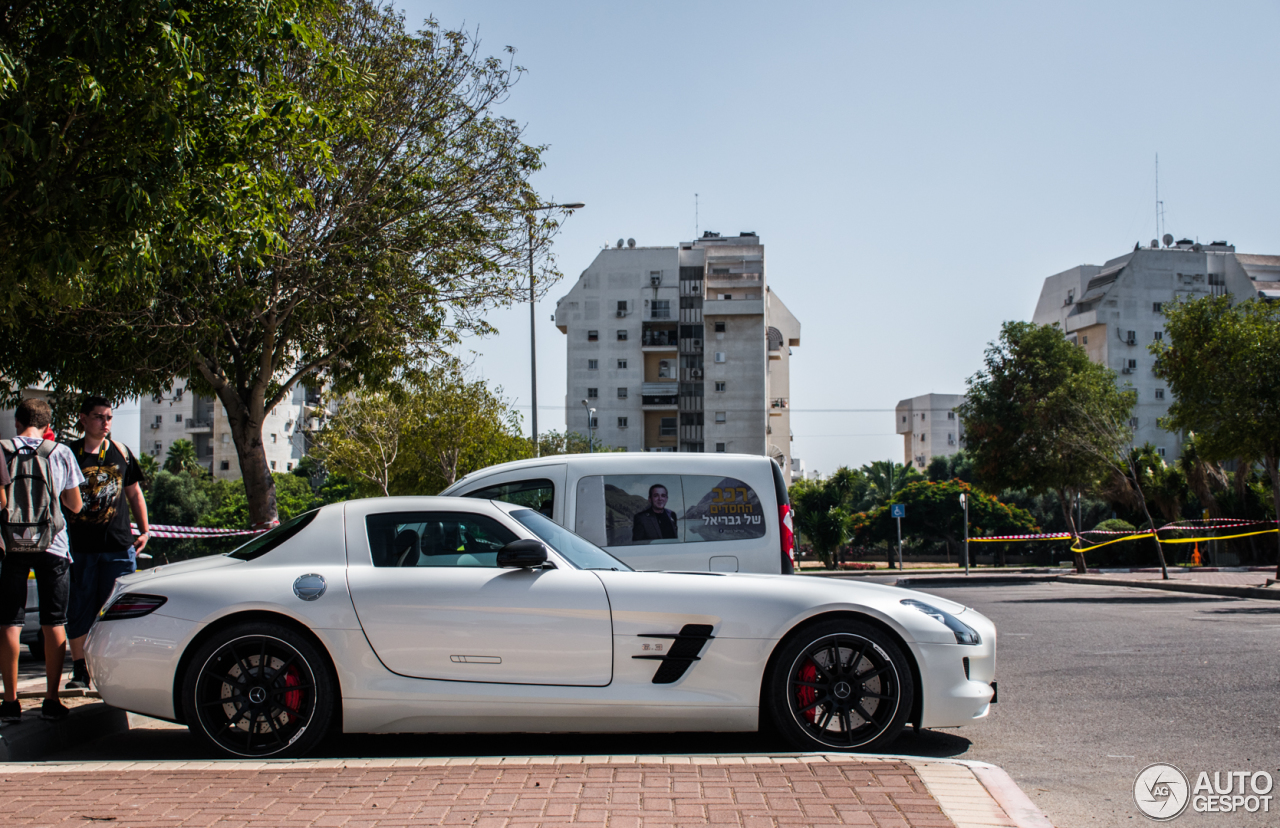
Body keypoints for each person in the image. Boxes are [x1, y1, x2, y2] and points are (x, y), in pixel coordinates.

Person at [0, 398, 84, 721]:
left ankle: (10, 702)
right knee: (54, 622)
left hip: (11, 545)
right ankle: (51, 699)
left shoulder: (3, 450)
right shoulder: (60, 452)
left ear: (17, 422)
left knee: (10, 621)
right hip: (53, 545)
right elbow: (74, 506)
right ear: (48, 426)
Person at [63, 396, 149, 690]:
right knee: (79, 609)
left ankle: (114, 673)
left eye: (109, 417)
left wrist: (145, 530)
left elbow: (135, 494)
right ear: (83, 419)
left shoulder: (121, 452)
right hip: (80, 548)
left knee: (117, 611)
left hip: (118, 546)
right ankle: (79, 671)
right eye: (99, 417)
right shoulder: (69, 454)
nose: (105, 423)